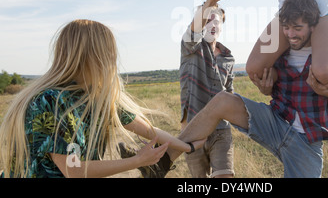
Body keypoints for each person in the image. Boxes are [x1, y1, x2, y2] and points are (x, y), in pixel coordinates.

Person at [166, 0, 328, 178]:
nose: (291, 34)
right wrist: (266, 89)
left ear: (313, 26)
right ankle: (164, 159)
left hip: (308, 139)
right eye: (286, 28)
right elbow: (271, 86)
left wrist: (327, 91)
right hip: (276, 123)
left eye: (297, 28)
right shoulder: (280, 48)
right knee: (223, 100)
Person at [0, 19, 203, 178]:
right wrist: (138, 161)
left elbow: (148, 130)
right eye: (108, 52)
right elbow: (74, 170)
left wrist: (188, 146)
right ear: (91, 55)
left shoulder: (95, 96)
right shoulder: (50, 102)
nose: (112, 59)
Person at [178, 0, 235, 178]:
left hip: (221, 130)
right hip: (193, 130)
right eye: (206, 19)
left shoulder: (228, 58)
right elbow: (194, 31)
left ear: (221, 25)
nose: (211, 25)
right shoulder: (190, 47)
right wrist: (211, 2)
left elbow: (229, 93)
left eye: (216, 21)